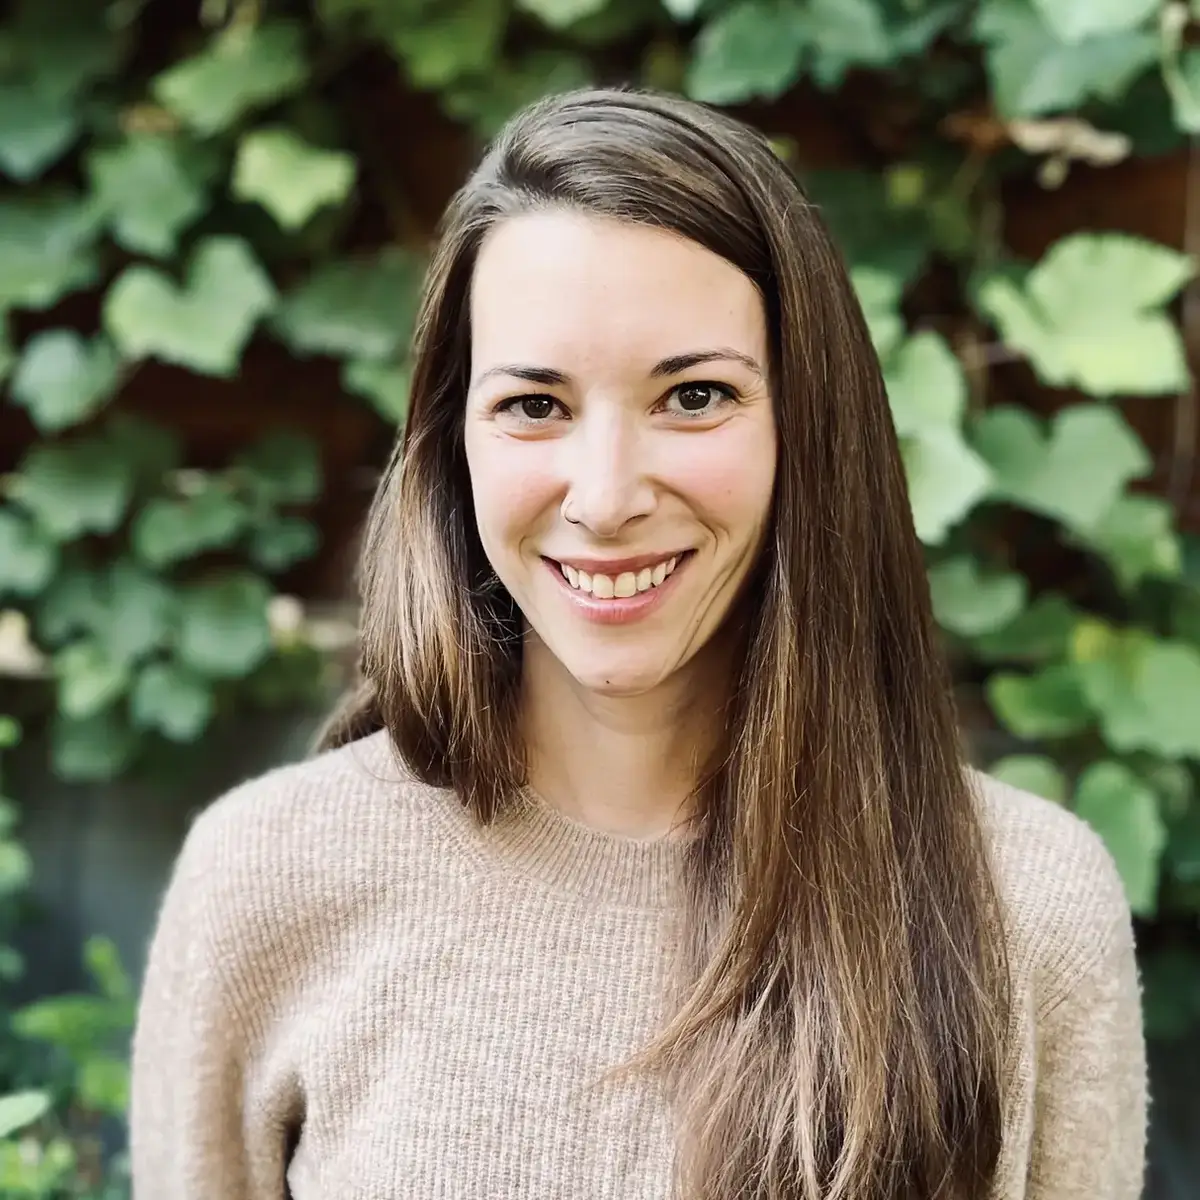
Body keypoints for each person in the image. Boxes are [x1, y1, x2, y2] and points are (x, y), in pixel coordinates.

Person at [128, 87, 1147, 1200]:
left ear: (808, 429)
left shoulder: (1026, 911)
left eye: (695, 395)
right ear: (450, 443)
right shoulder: (265, 882)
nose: (607, 497)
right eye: (533, 405)